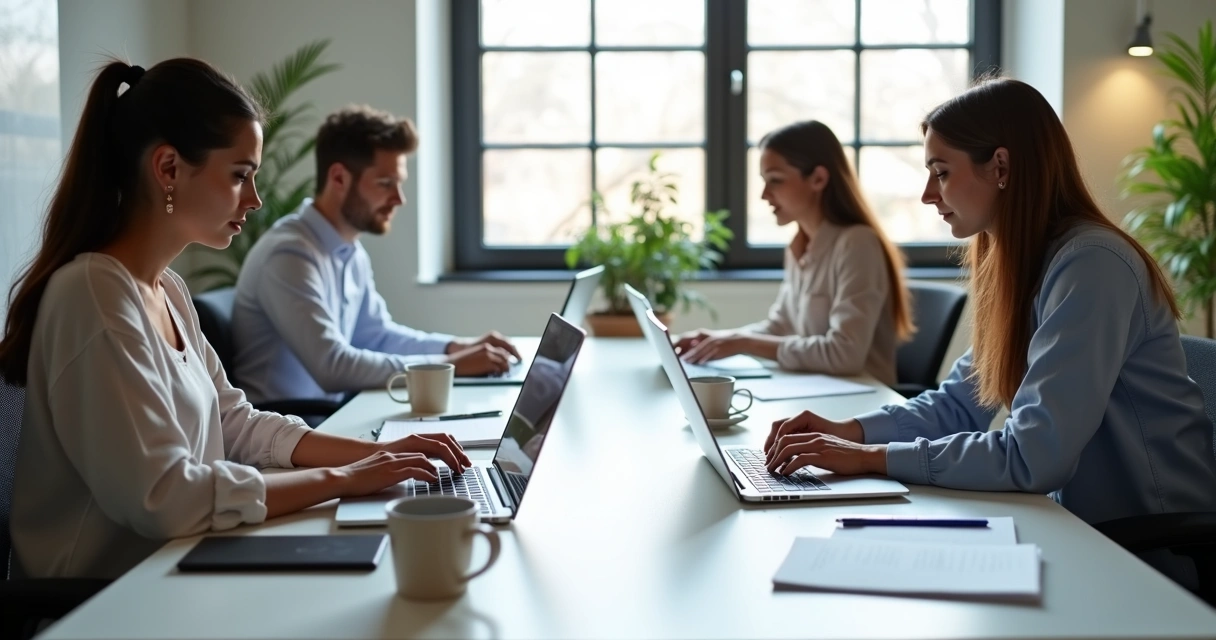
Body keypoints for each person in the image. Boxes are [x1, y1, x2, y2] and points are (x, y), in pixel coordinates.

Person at [0, 59, 472, 579]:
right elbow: (168, 498)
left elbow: (235, 423)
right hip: (107, 604)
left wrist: (378, 454)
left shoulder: (167, 290)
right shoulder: (93, 295)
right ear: (168, 169)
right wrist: (343, 478)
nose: (255, 199)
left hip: (178, 565)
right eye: (240, 176)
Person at [764, 79, 1216, 548]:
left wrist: (871, 457)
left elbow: (1034, 457)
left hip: (1148, 549)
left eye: (940, 172)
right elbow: (961, 403)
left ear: (1001, 166)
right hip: (1073, 527)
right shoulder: (1023, 262)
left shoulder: (1092, 264)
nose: (926, 194)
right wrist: (847, 433)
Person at [232, 105, 520, 406]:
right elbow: (332, 367)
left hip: (330, 418)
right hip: (292, 430)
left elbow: (377, 336)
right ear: (339, 178)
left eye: (399, 183)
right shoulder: (289, 254)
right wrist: (452, 366)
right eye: (386, 184)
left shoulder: (348, 250)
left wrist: (455, 348)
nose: (399, 199)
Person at [674, 121, 914, 386]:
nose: (765, 195)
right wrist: (719, 340)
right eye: (764, 181)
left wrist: (744, 343)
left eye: (775, 180)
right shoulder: (800, 245)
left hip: (861, 397)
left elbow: (845, 354)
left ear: (818, 179)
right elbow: (780, 326)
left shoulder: (857, 244)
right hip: (817, 387)